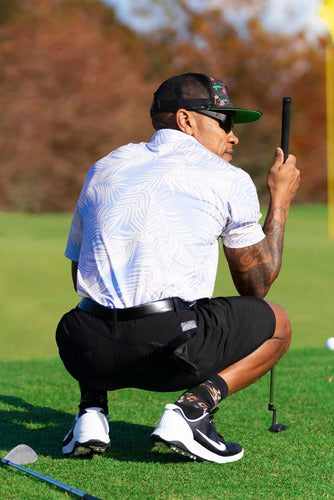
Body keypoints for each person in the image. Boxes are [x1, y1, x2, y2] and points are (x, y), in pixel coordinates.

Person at [55, 72, 300, 464]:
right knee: (278, 323)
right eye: (224, 121)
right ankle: (191, 411)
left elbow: (80, 278)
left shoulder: (104, 166)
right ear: (186, 120)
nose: (232, 135)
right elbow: (256, 285)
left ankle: (91, 412)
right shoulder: (228, 178)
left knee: (97, 303)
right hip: (169, 352)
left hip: (83, 348)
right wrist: (281, 198)